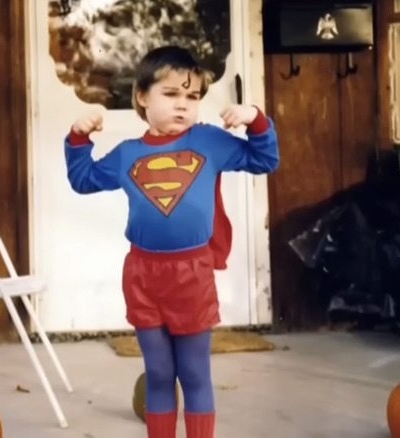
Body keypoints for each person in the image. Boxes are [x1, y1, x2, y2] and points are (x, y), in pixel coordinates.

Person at [64, 45, 279, 438]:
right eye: (171, 94)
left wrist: (255, 120)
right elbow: (83, 180)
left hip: (191, 274)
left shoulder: (209, 143)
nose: (183, 105)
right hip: (143, 276)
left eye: (193, 96)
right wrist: (78, 137)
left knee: (195, 372)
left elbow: (264, 160)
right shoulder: (128, 154)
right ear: (142, 97)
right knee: (160, 373)